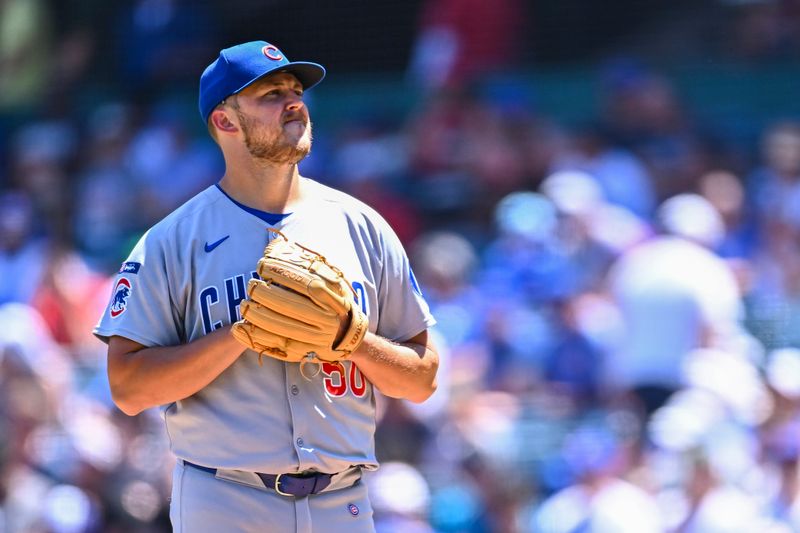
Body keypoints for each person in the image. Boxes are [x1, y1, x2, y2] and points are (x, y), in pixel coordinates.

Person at [93, 40, 439, 533]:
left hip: (343, 500)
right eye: (271, 94)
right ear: (225, 122)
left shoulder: (362, 226)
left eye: (296, 90)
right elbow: (127, 389)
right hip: (226, 499)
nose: (294, 102)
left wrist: (355, 342)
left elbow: (423, 378)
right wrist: (240, 333)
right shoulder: (172, 241)